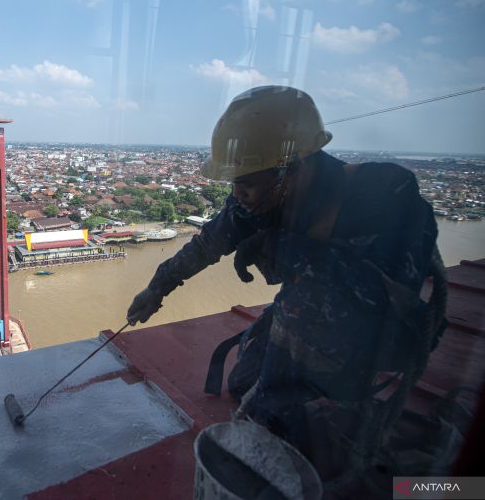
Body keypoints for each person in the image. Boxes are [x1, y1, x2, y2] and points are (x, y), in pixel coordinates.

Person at [126, 85, 444, 443]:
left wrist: (285, 247)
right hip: (303, 314)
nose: (236, 194)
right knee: (244, 383)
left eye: (245, 183)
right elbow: (207, 245)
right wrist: (158, 286)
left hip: (379, 330)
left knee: (288, 421)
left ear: (293, 169)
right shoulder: (264, 199)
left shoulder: (385, 196)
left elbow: (386, 298)